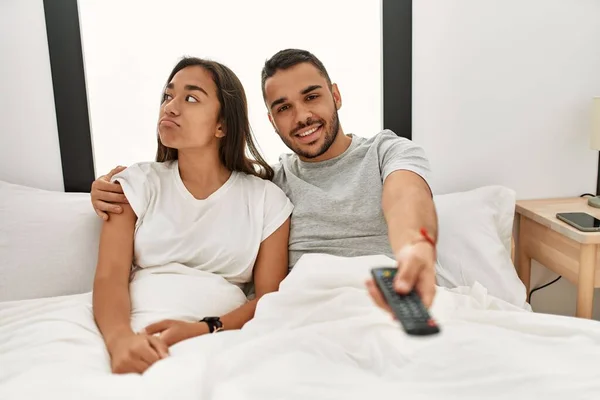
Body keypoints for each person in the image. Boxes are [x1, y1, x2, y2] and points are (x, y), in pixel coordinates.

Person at [90, 49, 437, 316]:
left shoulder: (386, 152)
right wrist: (110, 188)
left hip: (392, 294)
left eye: (312, 96)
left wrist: (414, 246)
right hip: (306, 313)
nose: (301, 116)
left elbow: (405, 197)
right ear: (272, 120)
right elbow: (211, 191)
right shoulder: (273, 184)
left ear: (336, 95)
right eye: (283, 108)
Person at [91, 56, 293, 375]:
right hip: (139, 329)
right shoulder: (135, 184)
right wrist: (120, 340)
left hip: (223, 337)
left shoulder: (267, 200)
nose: (170, 107)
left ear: (222, 125)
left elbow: (269, 299)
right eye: (167, 96)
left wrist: (205, 329)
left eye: (190, 98)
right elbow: (109, 277)